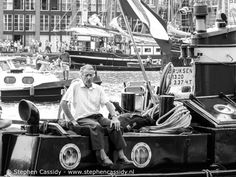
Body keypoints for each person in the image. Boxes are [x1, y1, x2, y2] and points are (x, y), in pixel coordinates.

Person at [60, 64, 133, 167]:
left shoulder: (98, 88)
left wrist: (115, 117)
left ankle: (121, 156)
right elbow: (63, 103)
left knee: (115, 125)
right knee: (96, 127)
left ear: (94, 75)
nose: (89, 77)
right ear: (81, 75)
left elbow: (108, 104)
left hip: (97, 117)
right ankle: (103, 157)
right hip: (82, 118)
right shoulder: (75, 86)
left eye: (91, 75)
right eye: (86, 75)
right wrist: (71, 119)